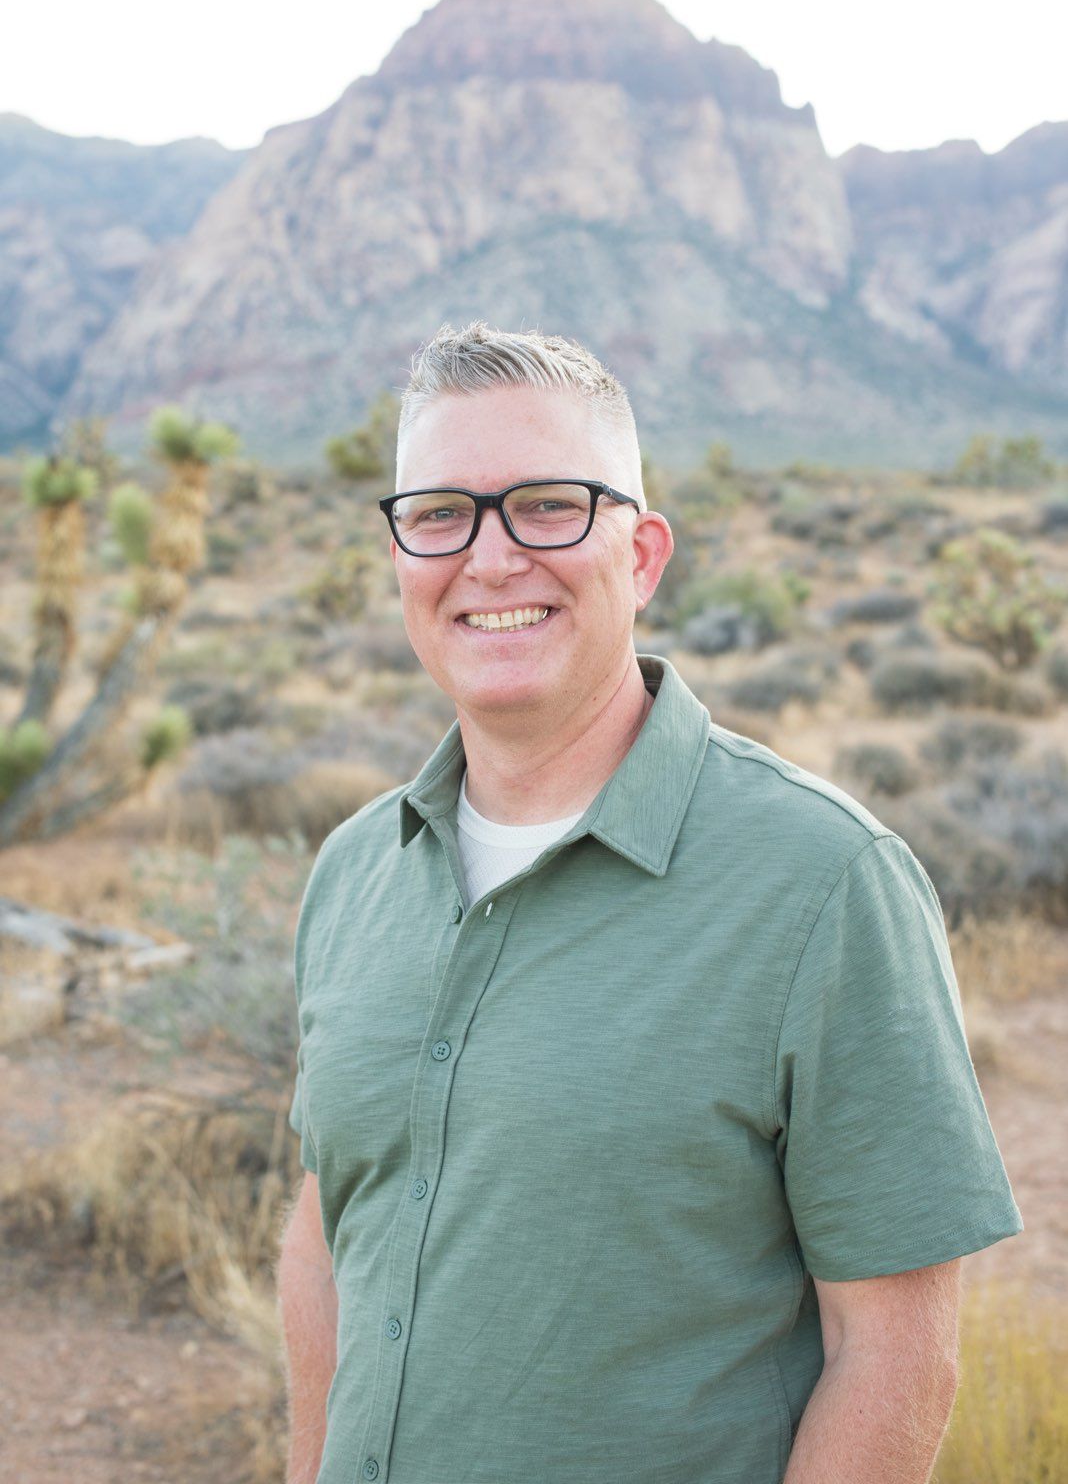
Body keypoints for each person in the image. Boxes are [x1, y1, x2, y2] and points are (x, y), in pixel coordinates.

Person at [277, 320, 1023, 1484]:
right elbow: (328, 1238)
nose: (491, 557)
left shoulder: (824, 883)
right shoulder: (354, 870)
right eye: (439, 513)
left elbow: (893, 1355)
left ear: (643, 555)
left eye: (547, 505)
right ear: (400, 552)